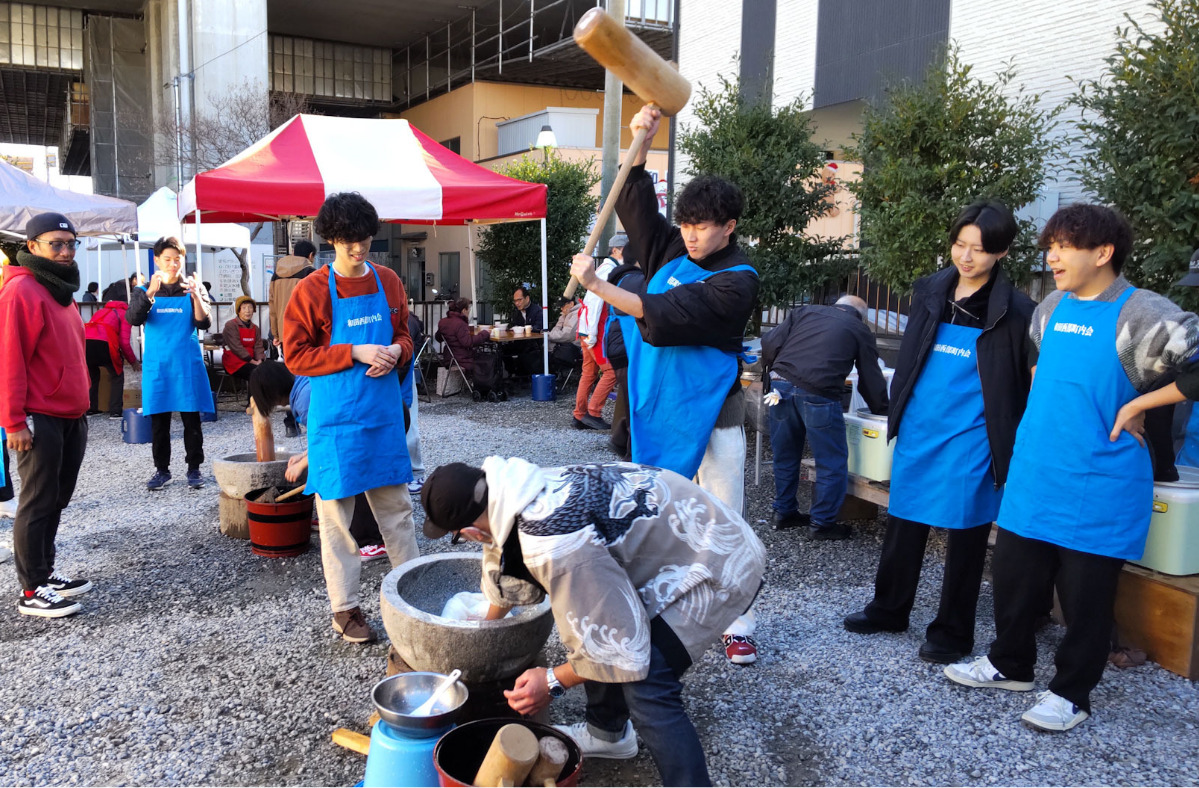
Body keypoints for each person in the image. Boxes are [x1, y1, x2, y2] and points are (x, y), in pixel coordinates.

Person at [944, 204, 1199, 732]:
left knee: (1086, 598)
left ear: (1103, 253)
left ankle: (1071, 694)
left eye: (1064, 246)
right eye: (1051, 245)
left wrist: (1137, 406)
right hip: (1036, 474)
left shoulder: (1140, 312)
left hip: (1098, 481)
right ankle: (1009, 664)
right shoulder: (1051, 307)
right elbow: (1039, 363)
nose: (1052, 256)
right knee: (1014, 579)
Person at [420, 457, 766, 786]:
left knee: (647, 683)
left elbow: (616, 639)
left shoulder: (553, 542)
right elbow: (507, 558)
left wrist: (553, 681)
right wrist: (488, 620)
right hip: (687, 534)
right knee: (585, 618)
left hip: (717, 560)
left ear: (468, 530)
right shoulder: (513, 488)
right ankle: (609, 735)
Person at [569, 103, 760, 664]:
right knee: (658, 510)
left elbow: (667, 312)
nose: (693, 236)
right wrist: (641, 141)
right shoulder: (672, 246)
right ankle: (663, 602)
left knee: (724, 518)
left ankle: (739, 621)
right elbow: (638, 211)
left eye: (705, 226)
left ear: (729, 226)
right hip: (658, 405)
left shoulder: (738, 280)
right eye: (688, 224)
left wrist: (598, 287)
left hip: (713, 413)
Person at [843, 201, 1035, 665]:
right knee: (904, 520)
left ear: (1003, 252)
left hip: (973, 431)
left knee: (966, 533)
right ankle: (889, 609)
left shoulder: (1015, 310)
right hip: (921, 423)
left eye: (979, 250)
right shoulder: (931, 289)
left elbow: (1019, 379)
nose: (966, 257)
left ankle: (952, 633)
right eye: (959, 245)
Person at [283, 191, 419, 644]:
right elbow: (296, 356)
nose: (359, 250)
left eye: (364, 240)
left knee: (397, 511)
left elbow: (404, 331)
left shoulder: (389, 281)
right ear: (330, 241)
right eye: (348, 243)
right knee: (337, 519)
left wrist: (399, 350)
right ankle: (345, 610)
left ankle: (414, 596)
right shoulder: (311, 290)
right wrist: (354, 351)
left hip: (382, 416)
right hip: (336, 419)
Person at [0, 212, 92, 617]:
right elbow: (9, 360)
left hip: (71, 412)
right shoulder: (21, 290)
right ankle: (31, 589)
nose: (65, 251)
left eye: (71, 244)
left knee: (56, 498)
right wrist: (13, 421)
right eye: (55, 244)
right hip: (40, 413)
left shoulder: (61, 291)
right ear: (32, 246)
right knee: (37, 500)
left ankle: (44, 571)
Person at [762, 294, 889, 540]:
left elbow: (770, 341)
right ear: (861, 315)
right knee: (831, 460)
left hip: (780, 388)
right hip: (818, 392)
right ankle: (822, 524)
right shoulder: (859, 329)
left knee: (785, 454)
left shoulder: (805, 312)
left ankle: (783, 512)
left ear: (837, 304)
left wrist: (772, 373)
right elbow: (870, 376)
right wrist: (883, 410)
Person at [126, 236, 213, 491]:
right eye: (167, 259)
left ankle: (194, 467)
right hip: (158, 365)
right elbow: (133, 318)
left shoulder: (192, 287)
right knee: (159, 421)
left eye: (178, 259)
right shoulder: (144, 290)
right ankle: (161, 470)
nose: (173, 264)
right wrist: (149, 293)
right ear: (156, 260)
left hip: (186, 364)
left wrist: (197, 296)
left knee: (191, 420)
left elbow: (203, 323)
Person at [573, 235, 623, 431]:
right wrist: (594, 335)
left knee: (589, 373)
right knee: (611, 371)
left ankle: (579, 415)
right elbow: (595, 304)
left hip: (587, 329)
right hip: (595, 331)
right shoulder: (609, 271)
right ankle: (593, 412)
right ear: (617, 250)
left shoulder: (603, 269)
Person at [83, 281, 141, 419]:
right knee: (116, 374)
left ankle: (91, 409)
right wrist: (133, 361)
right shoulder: (124, 314)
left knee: (92, 375)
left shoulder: (101, 311)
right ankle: (115, 411)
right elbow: (124, 343)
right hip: (105, 344)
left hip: (86, 343)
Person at [269, 239, 316, 355]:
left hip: (284, 332)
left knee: (290, 370)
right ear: (311, 255)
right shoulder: (311, 273)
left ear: (293, 253)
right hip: (306, 332)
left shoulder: (276, 275)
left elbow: (273, 307)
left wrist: (276, 334)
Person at [436, 298, 490, 378]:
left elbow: (438, 338)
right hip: (462, 359)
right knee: (487, 358)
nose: (469, 312)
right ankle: (483, 385)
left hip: (449, 357)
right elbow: (467, 342)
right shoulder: (460, 323)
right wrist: (484, 334)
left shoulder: (443, 322)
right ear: (464, 310)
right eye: (469, 309)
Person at [221, 295, 264, 381]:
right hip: (234, 362)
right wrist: (253, 361)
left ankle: (258, 394)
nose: (247, 311)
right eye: (244, 308)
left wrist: (260, 360)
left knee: (267, 371)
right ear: (238, 311)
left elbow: (258, 346)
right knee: (256, 373)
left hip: (252, 361)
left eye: (250, 307)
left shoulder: (255, 328)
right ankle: (253, 395)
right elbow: (236, 347)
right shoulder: (231, 325)